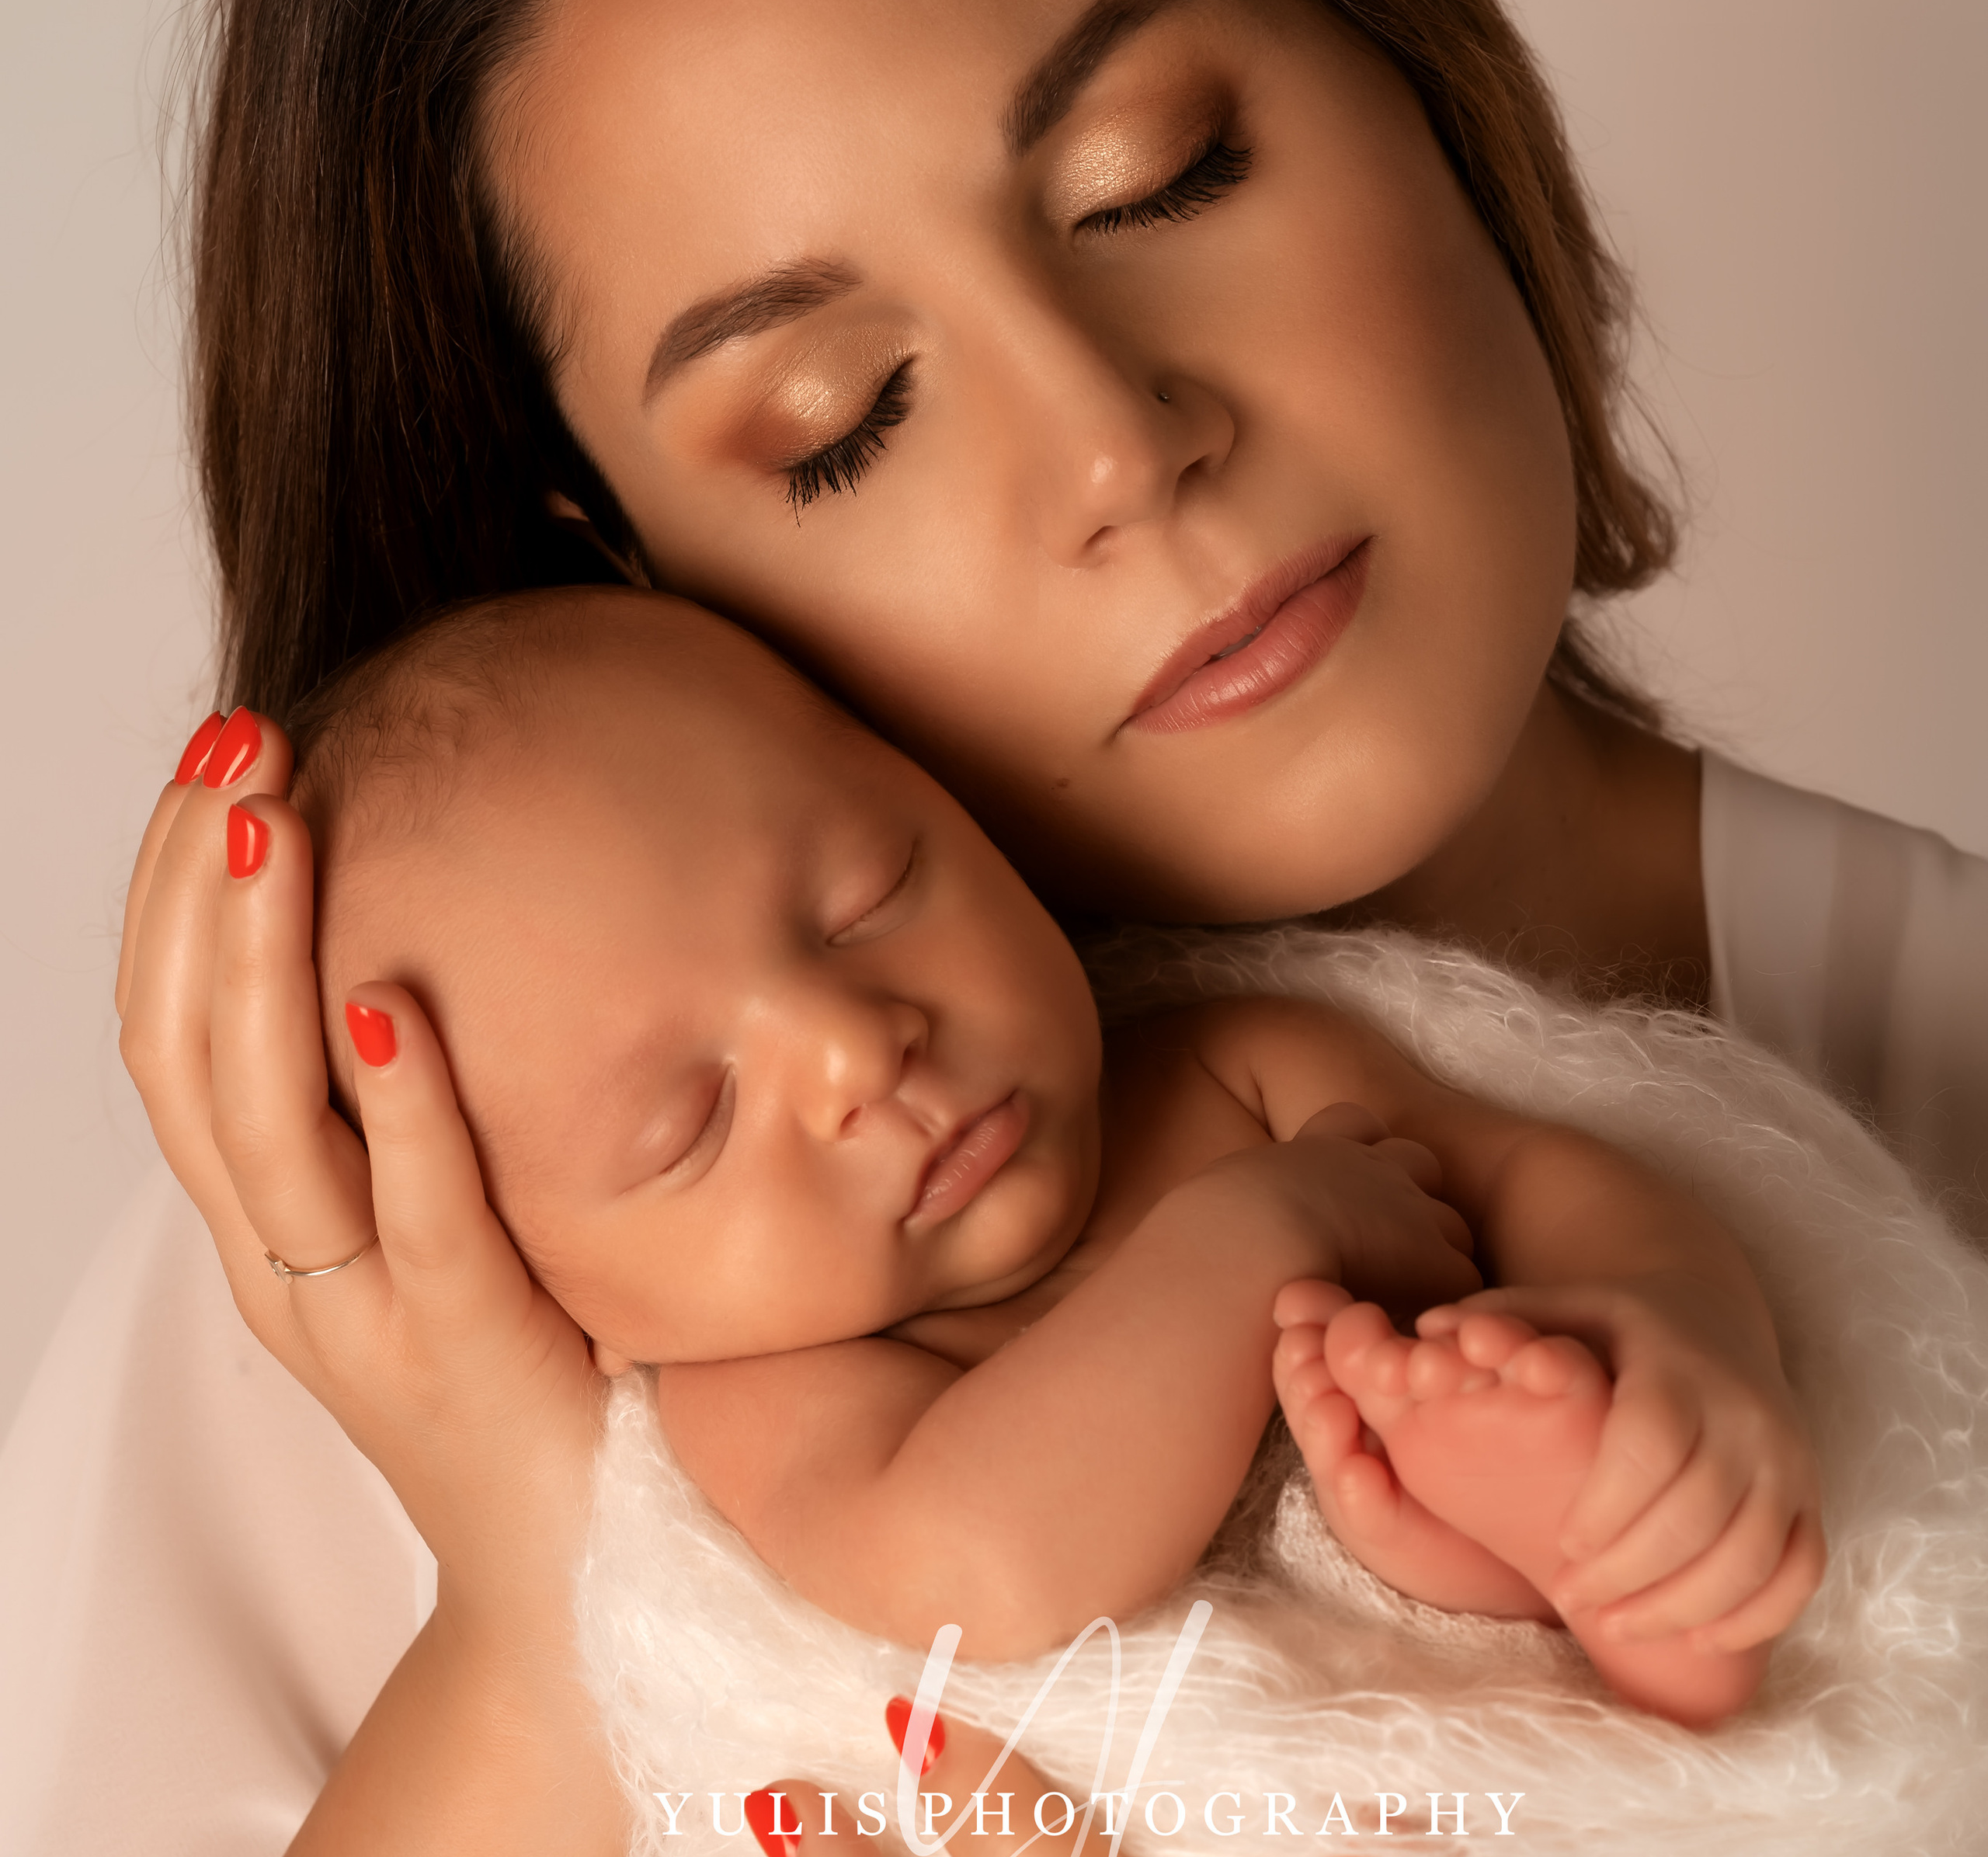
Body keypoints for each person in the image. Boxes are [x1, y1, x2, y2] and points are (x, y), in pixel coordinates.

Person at [4, 0, 1984, 1857]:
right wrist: (556, 1558)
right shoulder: (443, 1211)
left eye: (1166, 162)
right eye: (833, 421)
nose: (1111, 438)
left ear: (1401, 52)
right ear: (618, 557)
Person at [291, 580, 1815, 1720]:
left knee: (1528, 1413)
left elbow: (1541, 1175)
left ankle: (1617, 1562)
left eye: (867, 895)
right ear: (571, 1303)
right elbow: (980, 1574)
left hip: (1497, 1730)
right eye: (692, 1120)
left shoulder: (1229, 1060)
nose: (853, 1045)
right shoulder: (767, 1399)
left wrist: (1670, 1335)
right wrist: (1244, 1245)